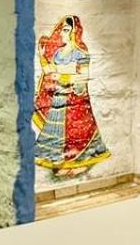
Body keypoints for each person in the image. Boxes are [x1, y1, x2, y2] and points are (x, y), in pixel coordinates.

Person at [32, 13, 110, 178]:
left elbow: (84, 76)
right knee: (58, 134)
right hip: (59, 98)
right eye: (62, 29)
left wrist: (62, 77)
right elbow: (49, 71)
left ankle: (81, 163)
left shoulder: (81, 52)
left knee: (78, 135)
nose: (62, 33)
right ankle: (65, 163)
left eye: (66, 29)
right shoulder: (59, 53)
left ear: (74, 31)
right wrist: (41, 55)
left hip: (76, 100)